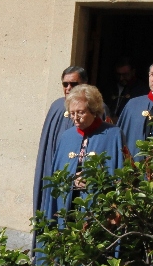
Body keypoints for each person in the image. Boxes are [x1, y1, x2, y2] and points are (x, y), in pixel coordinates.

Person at [45, 84, 129, 220]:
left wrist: (93, 180)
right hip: (70, 206)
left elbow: (119, 174)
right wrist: (72, 180)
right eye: (72, 113)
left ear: (94, 110)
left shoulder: (113, 134)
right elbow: (57, 175)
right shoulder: (67, 137)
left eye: (81, 112)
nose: (76, 118)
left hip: (99, 208)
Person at [33, 66, 86, 222]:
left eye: (74, 84)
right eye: (65, 84)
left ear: (85, 84)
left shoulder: (98, 109)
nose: (68, 88)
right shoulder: (56, 106)